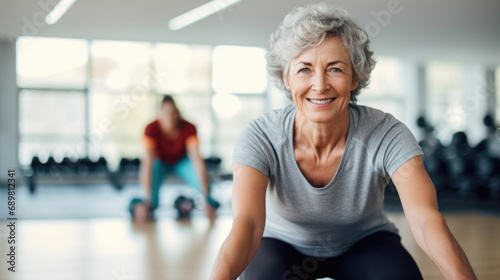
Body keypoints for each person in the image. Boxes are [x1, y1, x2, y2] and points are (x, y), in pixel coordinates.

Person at [210, 4, 477, 280]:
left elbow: (424, 219)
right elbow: (249, 224)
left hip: (364, 242)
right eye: (304, 70)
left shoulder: (387, 133)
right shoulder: (260, 136)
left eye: (335, 69)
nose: (320, 84)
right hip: (282, 244)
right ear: (286, 77)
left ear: (355, 77)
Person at [139, 95, 218, 219]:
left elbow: (196, 159)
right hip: (160, 162)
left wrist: (205, 197)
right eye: (166, 113)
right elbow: (147, 162)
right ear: (159, 114)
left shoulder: (189, 128)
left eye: (173, 112)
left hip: (181, 162)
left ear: (178, 113)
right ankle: (149, 206)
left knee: (201, 186)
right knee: (151, 200)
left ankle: (208, 202)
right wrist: (147, 200)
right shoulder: (150, 129)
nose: (170, 116)